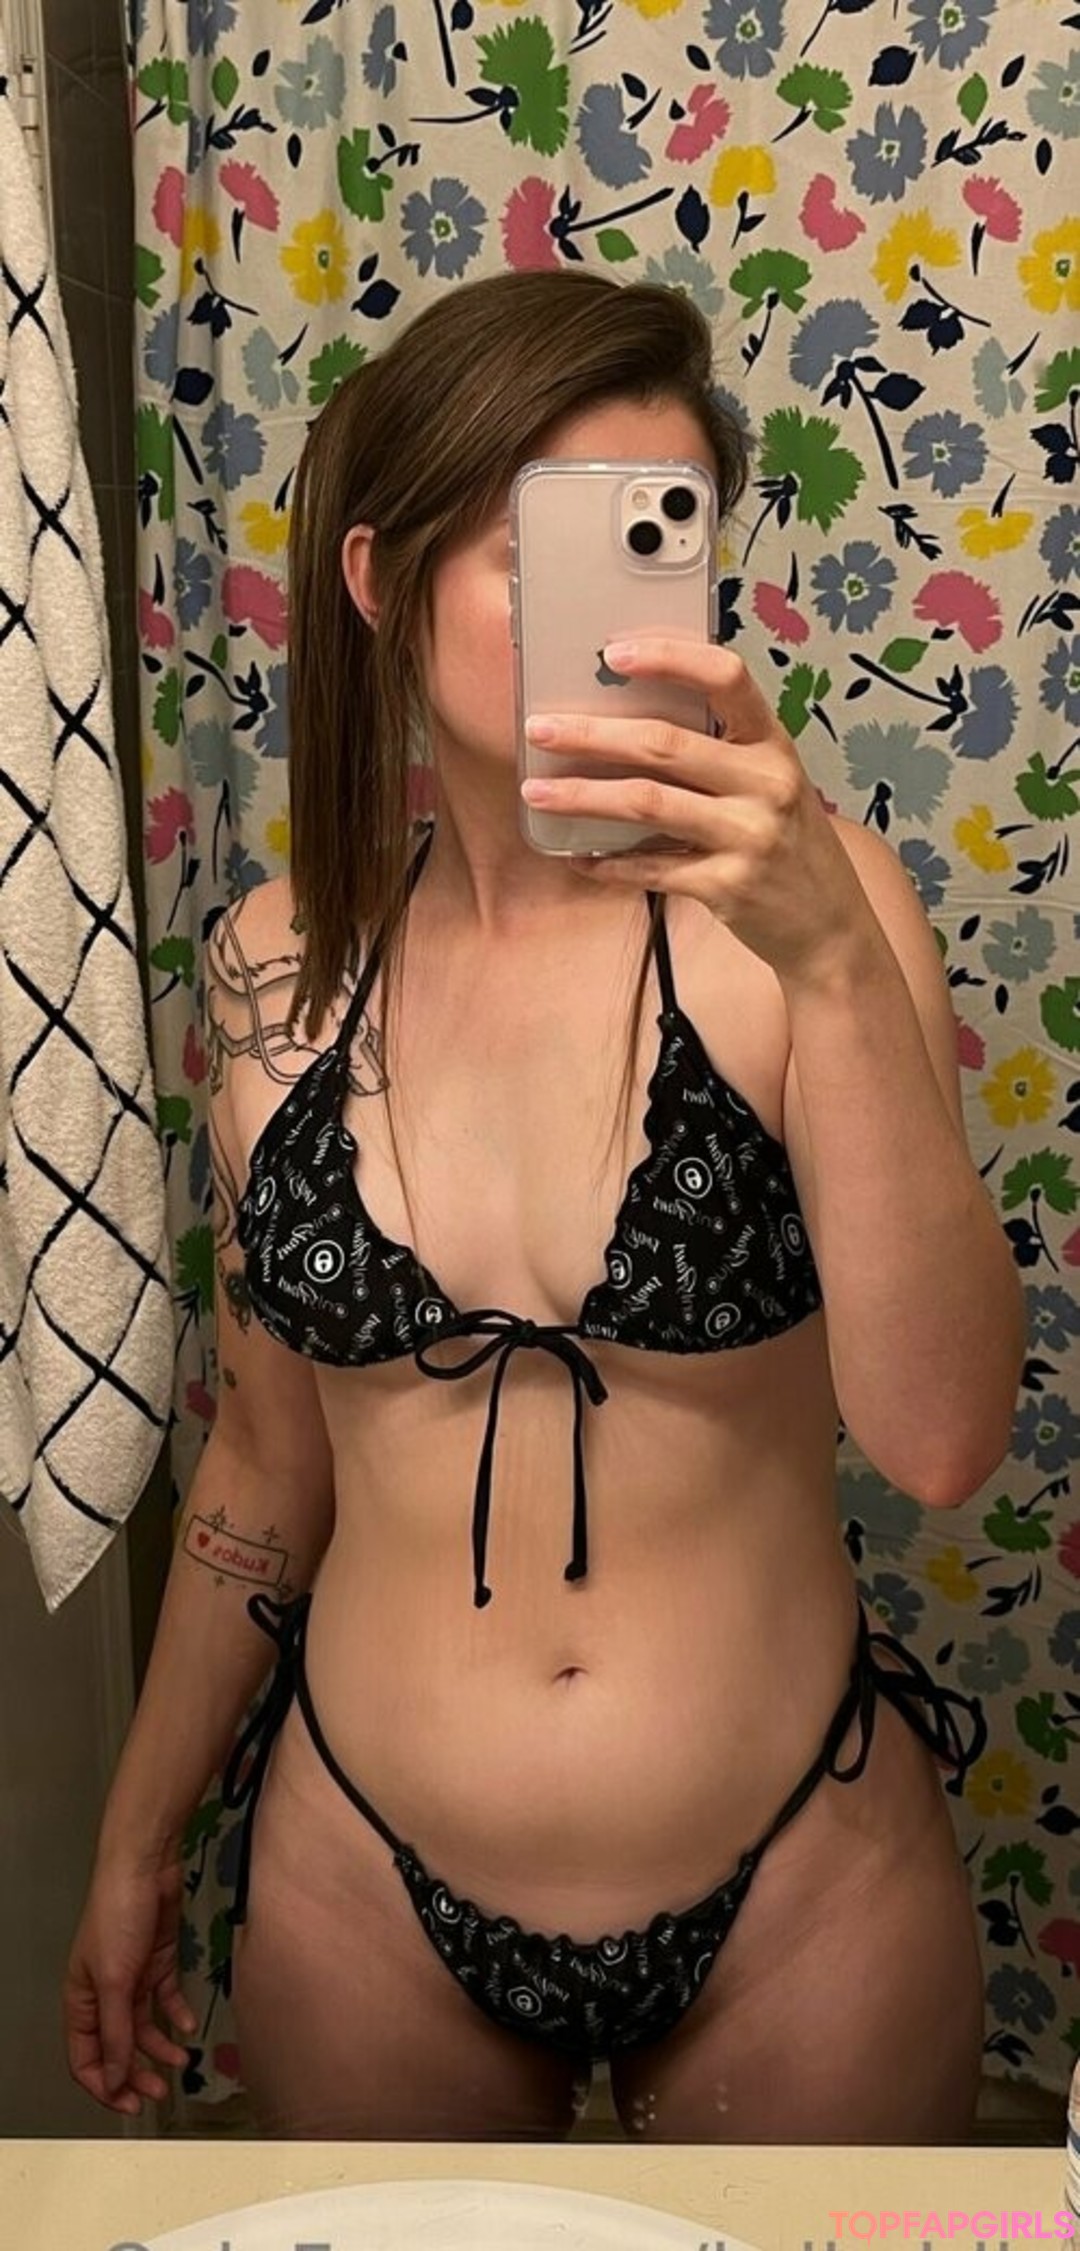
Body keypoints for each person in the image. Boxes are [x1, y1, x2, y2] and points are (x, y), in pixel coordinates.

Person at [64, 269, 1025, 2144]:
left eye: (657, 544)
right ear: (380, 579)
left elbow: (940, 1440)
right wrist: (134, 1841)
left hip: (802, 1886)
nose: (622, 619)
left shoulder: (810, 921)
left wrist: (833, 961)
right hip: (363, 1880)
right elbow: (265, 1463)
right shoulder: (274, 973)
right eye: (541, 549)